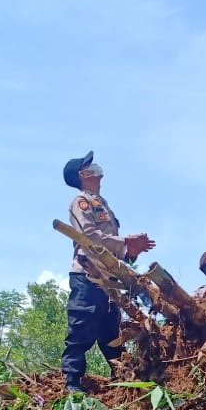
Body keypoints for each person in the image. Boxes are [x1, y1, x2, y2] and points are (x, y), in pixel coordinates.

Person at [61, 151, 155, 392]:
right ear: (83, 174)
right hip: (88, 277)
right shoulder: (81, 201)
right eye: (89, 166)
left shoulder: (102, 204)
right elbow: (89, 236)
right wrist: (125, 241)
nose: (96, 168)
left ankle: (124, 381)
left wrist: (130, 251)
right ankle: (72, 384)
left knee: (112, 335)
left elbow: (112, 249)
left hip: (109, 282)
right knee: (81, 329)